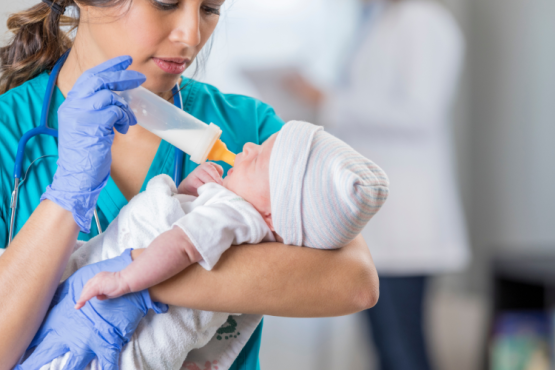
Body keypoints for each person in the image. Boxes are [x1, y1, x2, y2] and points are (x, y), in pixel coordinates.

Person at [0, 1, 380, 369]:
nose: (191, 34)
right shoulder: (8, 130)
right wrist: (68, 195)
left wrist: (138, 278)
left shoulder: (251, 133)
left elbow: (354, 283)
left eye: (210, 9)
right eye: (166, 3)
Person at [21, 121, 389, 369]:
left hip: (120, 317)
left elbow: (180, 245)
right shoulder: (241, 214)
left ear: (276, 214)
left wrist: (126, 280)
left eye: (259, 156)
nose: (247, 146)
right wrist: (188, 193)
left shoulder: (238, 213)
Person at [285, 0, 470, 369]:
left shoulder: (423, 21)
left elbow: (420, 113)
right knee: (387, 348)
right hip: (379, 219)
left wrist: (329, 101)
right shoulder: (377, 19)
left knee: (402, 350)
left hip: (406, 221)